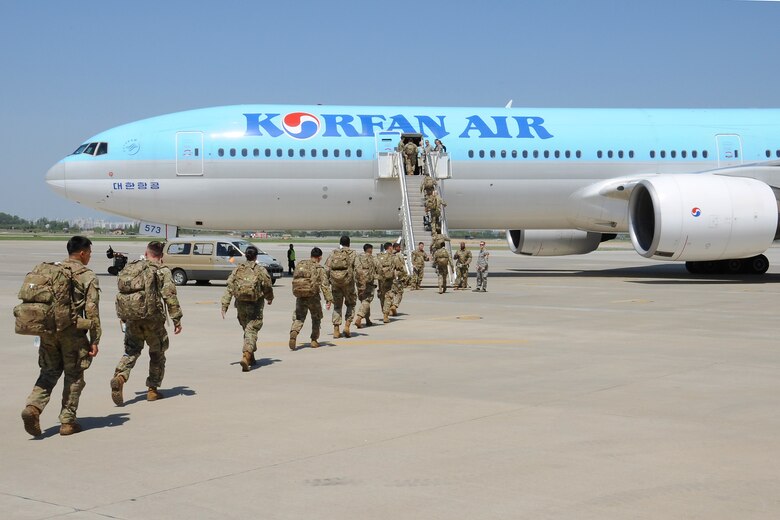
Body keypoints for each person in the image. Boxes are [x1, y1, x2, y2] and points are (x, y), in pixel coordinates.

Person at [20, 236, 101, 437]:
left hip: (47, 331)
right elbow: (91, 310)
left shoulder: (51, 271)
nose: (90, 256)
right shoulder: (87, 275)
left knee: (48, 371)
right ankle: (67, 422)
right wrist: (95, 340)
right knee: (74, 376)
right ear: (82, 253)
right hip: (72, 334)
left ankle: (33, 407)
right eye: (89, 252)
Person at [110, 241, 183, 405]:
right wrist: (177, 319)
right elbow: (170, 296)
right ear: (161, 256)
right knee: (157, 354)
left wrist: (123, 318)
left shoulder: (133, 268)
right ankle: (152, 389)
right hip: (153, 321)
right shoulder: (162, 271)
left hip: (132, 319)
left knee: (131, 351)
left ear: (146, 252)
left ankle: (120, 377)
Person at [220, 246, 274, 372]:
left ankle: (251, 357)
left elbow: (229, 287)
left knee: (247, 330)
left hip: (240, 306)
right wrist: (269, 298)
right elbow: (267, 285)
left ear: (246, 256)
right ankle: (246, 355)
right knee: (252, 330)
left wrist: (224, 305)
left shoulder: (238, 269)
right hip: (255, 305)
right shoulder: (260, 270)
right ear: (256, 257)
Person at [289, 247, 333, 350]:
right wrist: (329, 299)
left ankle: (294, 333)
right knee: (316, 318)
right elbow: (324, 285)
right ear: (320, 257)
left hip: (301, 296)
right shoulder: (319, 268)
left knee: (299, 317)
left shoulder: (301, 265)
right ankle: (314, 340)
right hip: (313, 297)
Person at [325, 235, 358, 339]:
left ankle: (336, 330)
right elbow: (358, 269)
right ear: (349, 243)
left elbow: (327, 269)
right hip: (349, 284)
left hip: (335, 284)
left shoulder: (333, 253)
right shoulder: (353, 253)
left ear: (340, 243)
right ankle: (347, 326)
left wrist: (327, 284)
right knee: (351, 304)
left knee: (337, 306)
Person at [354, 244, 378, 329]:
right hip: (369, 282)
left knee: (363, 301)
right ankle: (359, 318)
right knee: (367, 301)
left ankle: (367, 319)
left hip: (359, 282)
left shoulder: (358, 257)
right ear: (370, 249)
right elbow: (378, 267)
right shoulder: (372, 258)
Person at [375, 242, 396, 323]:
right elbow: (399, 267)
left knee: (382, 296)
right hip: (389, 280)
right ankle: (385, 315)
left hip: (380, 279)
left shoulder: (378, 256)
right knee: (388, 296)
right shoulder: (392, 257)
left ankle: (384, 312)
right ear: (390, 248)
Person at [390, 242, 408, 314]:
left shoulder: (388, 255)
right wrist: (405, 276)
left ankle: (391, 310)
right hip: (397, 276)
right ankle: (395, 305)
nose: (400, 248)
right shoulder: (398, 255)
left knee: (391, 293)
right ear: (395, 248)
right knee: (399, 292)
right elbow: (401, 267)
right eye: (398, 247)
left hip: (389, 277)